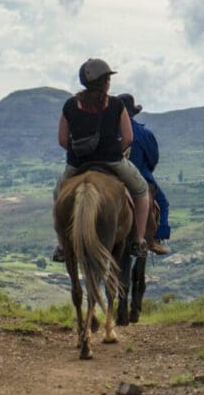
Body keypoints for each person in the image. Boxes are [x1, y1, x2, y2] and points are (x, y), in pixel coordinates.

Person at [52, 58, 150, 262]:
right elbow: (128, 137)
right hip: (112, 161)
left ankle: (61, 246)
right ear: (104, 81)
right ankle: (139, 241)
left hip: (78, 164)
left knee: (57, 195)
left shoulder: (70, 105)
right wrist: (115, 151)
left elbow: (62, 139)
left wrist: (79, 154)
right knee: (141, 191)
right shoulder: (115, 104)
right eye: (108, 78)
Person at [117, 93, 171, 255]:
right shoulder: (145, 134)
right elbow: (153, 159)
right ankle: (156, 239)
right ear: (133, 113)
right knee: (163, 203)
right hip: (140, 175)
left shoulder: (110, 131)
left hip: (112, 173)